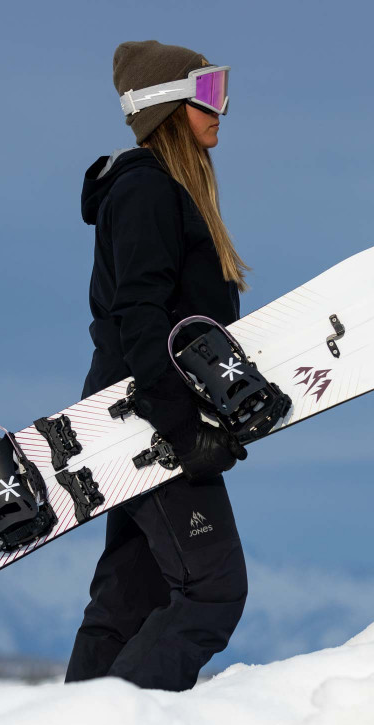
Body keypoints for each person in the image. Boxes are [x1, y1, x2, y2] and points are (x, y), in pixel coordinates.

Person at [65, 40, 251, 692]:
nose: (221, 107)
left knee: (128, 597)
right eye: (206, 92)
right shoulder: (146, 192)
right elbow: (139, 318)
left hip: (133, 415)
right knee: (213, 589)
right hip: (145, 418)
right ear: (165, 106)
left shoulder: (162, 190)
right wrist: (180, 428)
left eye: (221, 89)